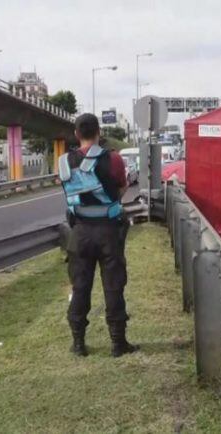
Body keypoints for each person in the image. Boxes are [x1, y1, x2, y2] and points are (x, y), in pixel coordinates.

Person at [59, 113, 138, 358]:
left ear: (75, 133)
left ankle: (78, 343)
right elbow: (122, 188)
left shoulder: (63, 162)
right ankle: (117, 343)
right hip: (108, 231)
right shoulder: (113, 158)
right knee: (113, 286)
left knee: (80, 286)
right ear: (99, 132)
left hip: (79, 232)